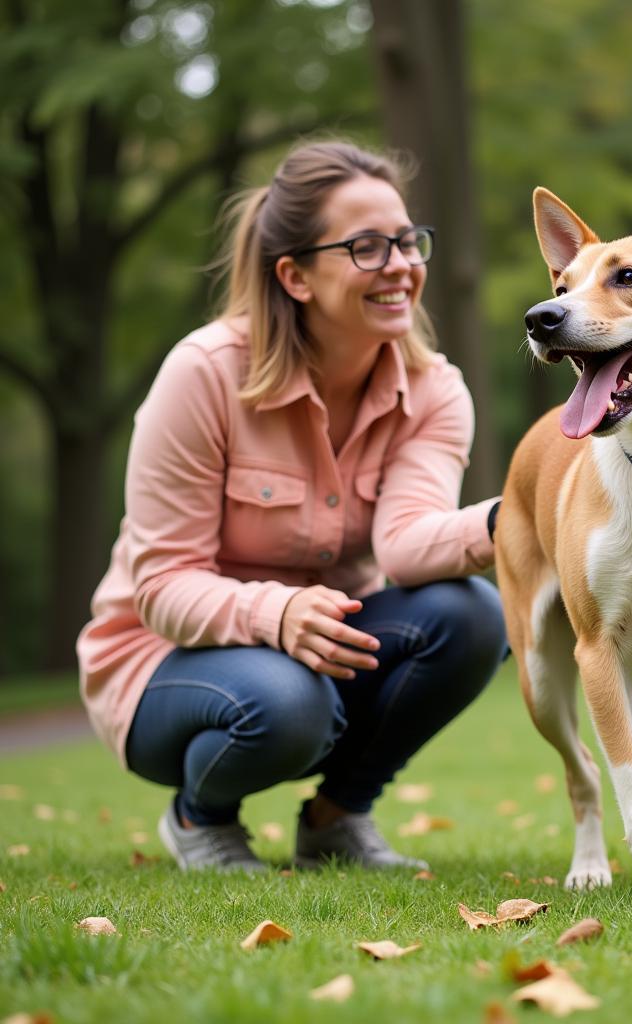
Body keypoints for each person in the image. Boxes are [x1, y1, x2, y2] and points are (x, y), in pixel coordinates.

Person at [76, 139, 506, 874]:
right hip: (163, 664)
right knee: (288, 701)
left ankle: (337, 821)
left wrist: (519, 516)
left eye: (407, 241)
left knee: (473, 616)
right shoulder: (204, 374)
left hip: (323, 650)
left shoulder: (434, 391)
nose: (402, 266)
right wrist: (275, 614)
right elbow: (160, 586)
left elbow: (405, 546)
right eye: (367, 248)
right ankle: (199, 817)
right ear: (294, 275)